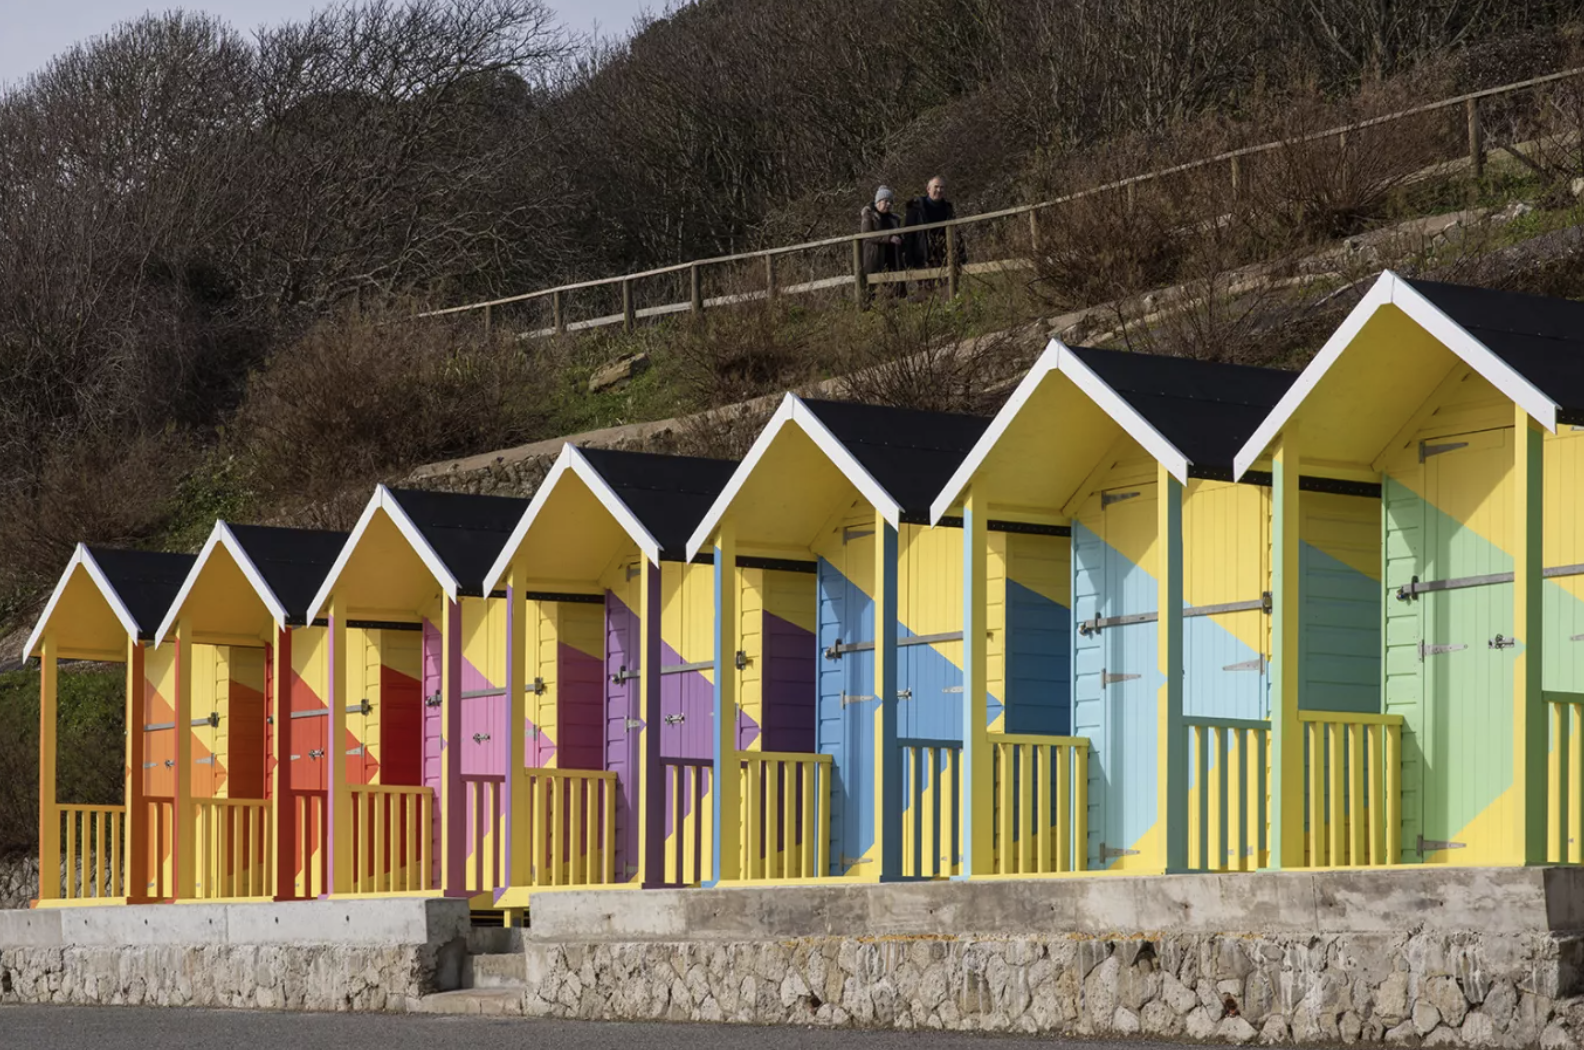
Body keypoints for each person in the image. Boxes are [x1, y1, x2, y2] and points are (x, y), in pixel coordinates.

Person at [904, 175, 965, 293]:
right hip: (923, 256)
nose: (939, 190)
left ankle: (949, 310)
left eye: (942, 187)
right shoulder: (915, 209)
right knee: (925, 291)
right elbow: (909, 235)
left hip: (944, 254)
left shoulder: (948, 208)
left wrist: (961, 253)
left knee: (949, 289)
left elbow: (956, 232)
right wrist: (909, 258)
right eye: (936, 187)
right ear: (928, 189)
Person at [859, 185, 906, 303]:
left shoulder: (895, 218)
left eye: (890, 202)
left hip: (892, 257)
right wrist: (888, 238)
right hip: (874, 256)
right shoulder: (869, 215)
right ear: (878, 202)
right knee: (870, 291)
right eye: (885, 201)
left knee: (894, 289)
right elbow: (867, 234)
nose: (888, 204)